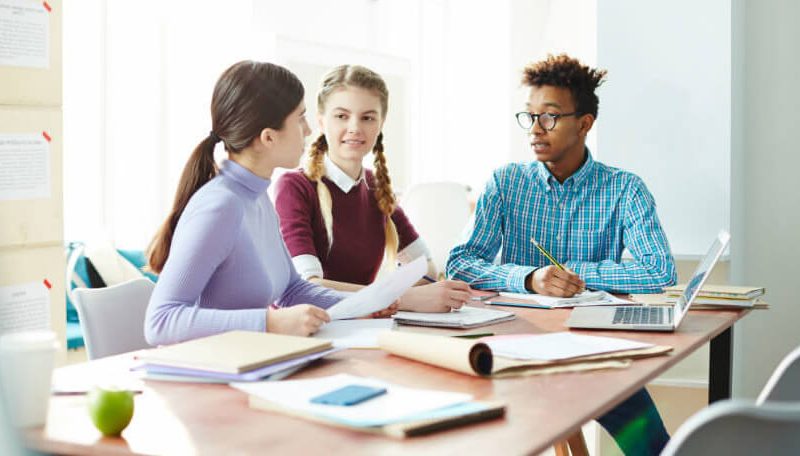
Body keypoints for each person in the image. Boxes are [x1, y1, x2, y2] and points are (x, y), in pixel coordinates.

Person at [446, 54, 676, 455]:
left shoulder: (625, 189)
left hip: (595, 353)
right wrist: (529, 277)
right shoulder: (506, 183)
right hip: (516, 351)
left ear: (584, 123)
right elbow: (460, 263)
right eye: (529, 116)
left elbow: (659, 272)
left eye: (549, 117)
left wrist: (576, 274)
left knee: (653, 447)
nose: (535, 129)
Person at [145, 61, 359, 346]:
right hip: (209, 376)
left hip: (248, 361)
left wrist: (374, 303)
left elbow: (293, 290)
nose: (308, 130)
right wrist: (270, 322)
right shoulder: (221, 206)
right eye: (300, 118)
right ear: (268, 137)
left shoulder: (256, 196)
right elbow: (160, 322)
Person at [274, 64, 470, 312]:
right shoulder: (294, 187)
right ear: (321, 121)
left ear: (381, 123)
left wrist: (392, 298)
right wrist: (399, 299)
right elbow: (307, 287)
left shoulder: (378, 188)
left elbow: (426, 269)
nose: (355, 127)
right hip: (307, 331)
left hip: (360, 326)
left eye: (367, 117)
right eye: (341, 116)